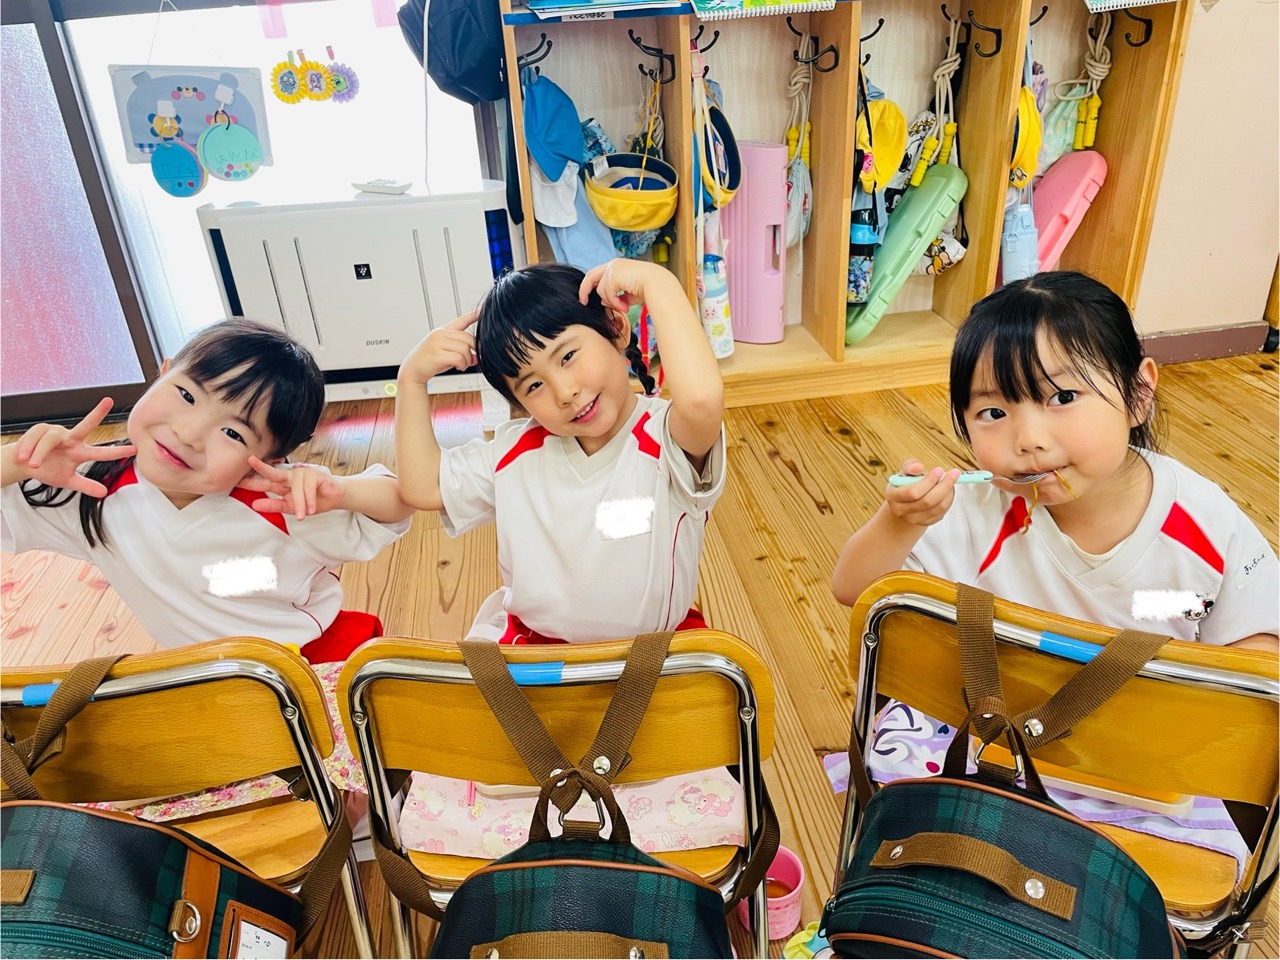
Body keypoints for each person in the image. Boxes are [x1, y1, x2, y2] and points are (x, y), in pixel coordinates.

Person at [833, 270, 1278, 651]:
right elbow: (855, 591)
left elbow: (1257, 648)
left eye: (1063, 397)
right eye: (994, 413)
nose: (1029, 440)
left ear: (1138, 394)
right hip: (998, 711)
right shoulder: (974, 512)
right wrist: (899, 523)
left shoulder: (1204, 522)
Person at [1, 317, 414, 663]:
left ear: (271, 459)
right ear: (163, 372)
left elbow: (401, 499)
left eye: (233, 432)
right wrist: (17, 462)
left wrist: (343, 491)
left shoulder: (282, 500)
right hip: (209, 678)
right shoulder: (88, 485)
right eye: (186, 394)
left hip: (313, 662)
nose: (189, 434)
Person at [396, 258, 725, 644]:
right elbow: (421, 487)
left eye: (568, 357)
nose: (564, 392)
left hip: (652, 653)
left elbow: (701, 401)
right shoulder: (515, 453)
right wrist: (411, 379)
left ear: (616, 328)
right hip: (537, 653)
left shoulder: (667, 439)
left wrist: (657, 281)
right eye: (534, 386)